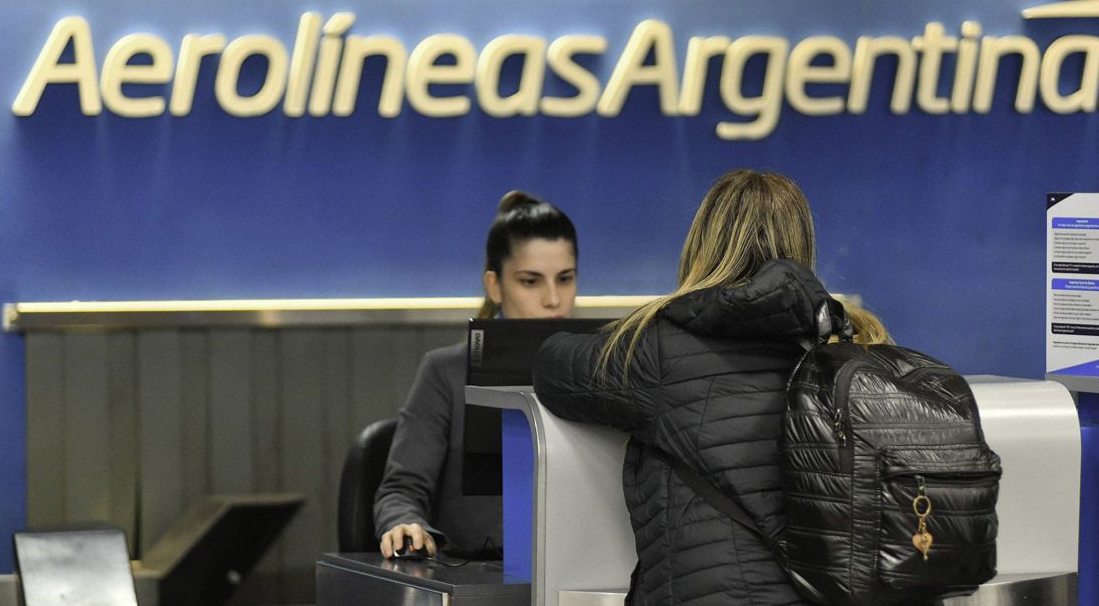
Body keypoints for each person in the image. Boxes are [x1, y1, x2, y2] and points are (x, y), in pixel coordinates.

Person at [532, 170, 888, 604]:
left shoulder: (658, 348)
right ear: (803, 247)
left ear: (702, 247)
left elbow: (552, 367)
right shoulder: (859, 344)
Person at [373, 190, 578, 559]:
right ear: (495, 285)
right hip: (477, 575)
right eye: (531, 281)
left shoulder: (604, 370)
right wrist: (404, 523)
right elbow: (401, 490)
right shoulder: (445, 372)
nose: (553, 299)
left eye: (565, 279)